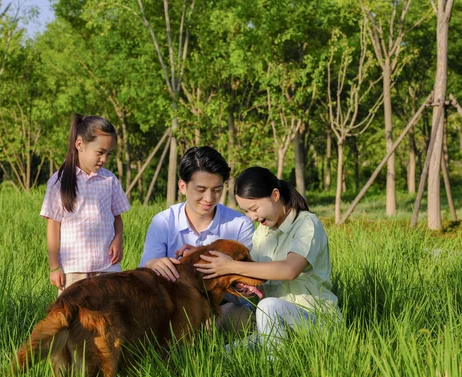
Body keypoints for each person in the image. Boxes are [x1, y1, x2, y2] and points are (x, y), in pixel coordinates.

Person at [194, 166, 339, 350]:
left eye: (254, 208)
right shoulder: (262, 233)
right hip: (275, 325)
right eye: (246, 211)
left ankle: (277, 367)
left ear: (275, 195)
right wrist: (200, 254)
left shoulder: (306, 224)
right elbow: (253, 274)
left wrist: (231, 266)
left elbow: (289, 269)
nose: (252, 217)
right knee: (224, 355)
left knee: (268, 305)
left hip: (317, 323)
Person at [140, 146, 254, 330]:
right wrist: (153, 264)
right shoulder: (163, 222)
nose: (209, 198)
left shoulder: (240, 224)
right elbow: (147, 278)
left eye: (217, 189)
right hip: (175, 313)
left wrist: (211, 265)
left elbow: (247, 284)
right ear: (183, 186)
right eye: (201, 189)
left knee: (243, 317)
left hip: (223, 309)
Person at [41, 114, 130, 292]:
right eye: (100, 152)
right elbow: (53, 226)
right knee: (71, 315)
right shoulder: (59, 181)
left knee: (109, 314)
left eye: (109, 154)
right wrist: (54, 266)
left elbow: (117, 218)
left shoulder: (109, 180)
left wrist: (118, 240)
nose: (104, 159)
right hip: (73, 268)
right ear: (80, 144)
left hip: (106, 266)